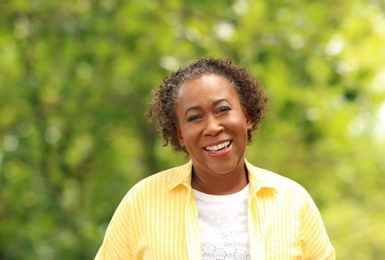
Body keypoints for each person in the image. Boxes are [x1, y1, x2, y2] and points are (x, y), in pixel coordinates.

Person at [95, 57, 335, 259]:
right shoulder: (142, 201)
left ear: (247, 117)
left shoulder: (293, 201)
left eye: (223, 110)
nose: (212, 127)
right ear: (179, 134)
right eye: (194, 117)